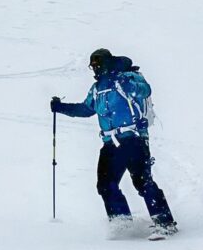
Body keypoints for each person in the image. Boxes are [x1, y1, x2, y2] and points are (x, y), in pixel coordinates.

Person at [51, 49, 177, 238]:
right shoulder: (97, 88)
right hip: (111, 143)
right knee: (105, 184)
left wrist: (127, 82)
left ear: (108, 62)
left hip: (133, 139)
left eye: (98, 64)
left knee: (143, 182)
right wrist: (60, 107)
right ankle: (122, 223)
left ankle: (165, 223)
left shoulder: (126, 77)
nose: (96, 68)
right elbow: (86, 109)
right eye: (93, 65)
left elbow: (145, 90)